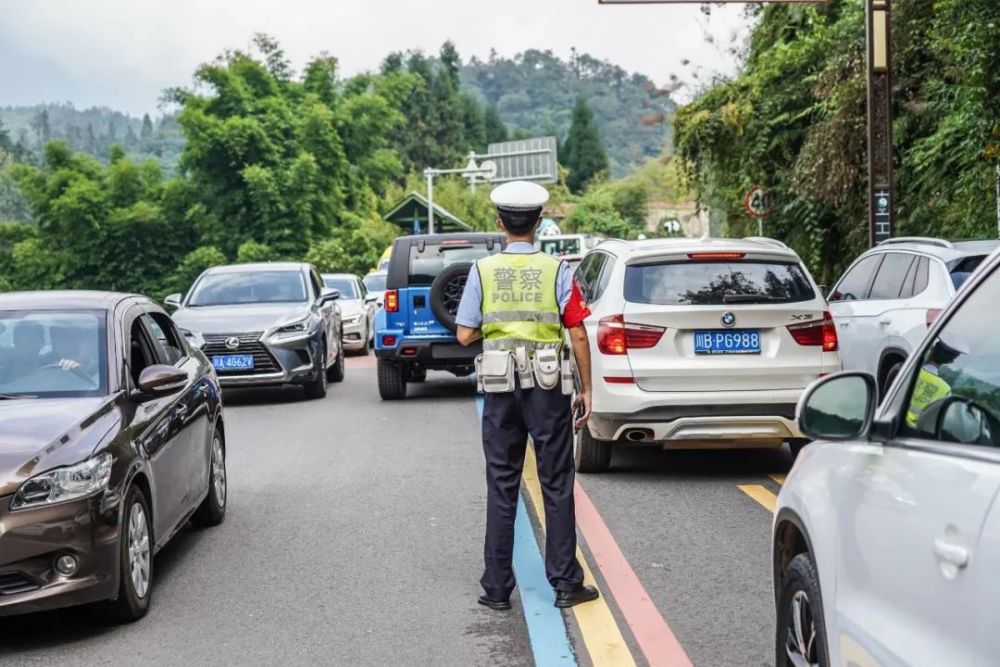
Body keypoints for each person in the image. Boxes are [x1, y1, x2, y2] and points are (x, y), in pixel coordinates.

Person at [456, 180, 598, 611]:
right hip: (548, 387)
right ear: (539, 223)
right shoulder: (559, 271)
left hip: (501, 390)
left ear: (500, 223)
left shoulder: (482, 271)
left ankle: (497, 590)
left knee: (502, 484)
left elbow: (464, 335)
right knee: (556, 482)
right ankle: (565, 583)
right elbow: (576, 330)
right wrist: (587, 388)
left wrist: (498, 329)